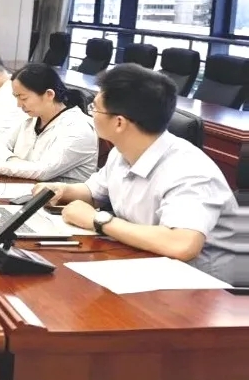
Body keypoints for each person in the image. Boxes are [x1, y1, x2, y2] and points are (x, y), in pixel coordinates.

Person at [36, 64, 238, 282]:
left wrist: (98, 220)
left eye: (95, 109)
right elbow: (94, 192)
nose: (91, 114)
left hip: (206, 285)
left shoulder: (190, 170)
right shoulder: (122, 151)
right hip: (147, 263)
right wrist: (61, 190)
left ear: (119, 122)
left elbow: (182, 244)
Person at [0, 63, 97, 183]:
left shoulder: (78, 128)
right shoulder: (30, 118)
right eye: (16, 97)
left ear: (49, 94)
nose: (18, 104)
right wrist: (13, 161)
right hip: (24, 187)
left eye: (23, 98)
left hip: (60, 200)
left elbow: (44, 171)